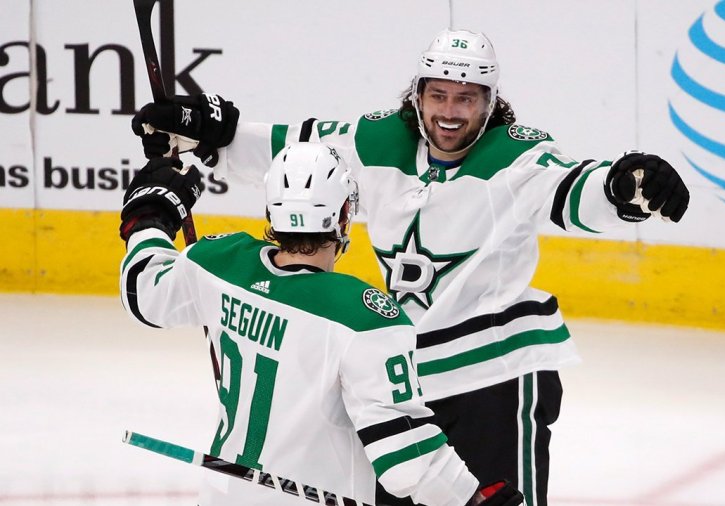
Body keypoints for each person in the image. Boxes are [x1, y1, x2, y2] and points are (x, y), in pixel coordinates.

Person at [130, 29, 690, 506]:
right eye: (438, 95)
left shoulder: (517, 156)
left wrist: (622, 188)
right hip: (400, 379)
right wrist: (213, 135)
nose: (449, 112)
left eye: (466, 98)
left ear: (490, 102)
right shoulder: (378, 139)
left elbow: (574, 187)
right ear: (418, 94)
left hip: (492, 379)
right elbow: (295, 151)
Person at [117, 142, 524, 506]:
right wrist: (470, 499)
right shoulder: (363, 318)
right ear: (344, 215)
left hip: (222, 496)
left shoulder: (219, 263)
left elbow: (144, 292)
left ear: (271, 211)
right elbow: (406, 459)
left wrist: (151, 215)